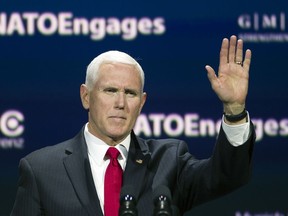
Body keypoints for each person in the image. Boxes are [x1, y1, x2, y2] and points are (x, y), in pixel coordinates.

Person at [11, 35, 255, 216]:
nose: (120, 103)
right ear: (86, 96)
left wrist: (234, 110)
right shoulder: (41, 170)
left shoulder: (168, 161)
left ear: (142, 102)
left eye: (130, 93)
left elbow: (228, 177)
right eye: (110, 90)